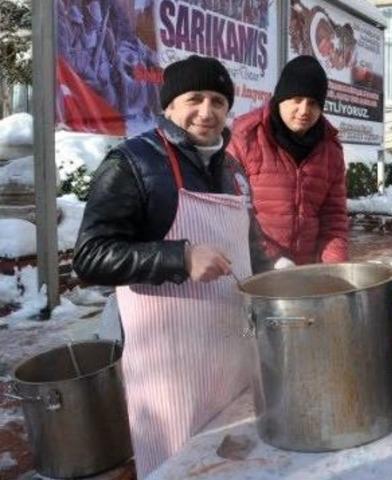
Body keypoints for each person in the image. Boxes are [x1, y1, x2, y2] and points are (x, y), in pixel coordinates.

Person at [73, 55, 269, 478]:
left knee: (229, 461)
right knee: (176, 467)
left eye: (218, 100)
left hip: (229, 350)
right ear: (168, 107)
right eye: (194, 98)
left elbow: (250, 246)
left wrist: (277, 283)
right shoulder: (132, 163)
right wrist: (178, 257)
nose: (207, 110)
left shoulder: (232, 170)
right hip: (169, 364)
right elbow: (90, 256)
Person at [228, 55, 348, 265]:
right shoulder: (245, 137)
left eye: (313, 103)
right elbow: (233, 211)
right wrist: (273, 259)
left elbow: (333, 219)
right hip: (254, 268)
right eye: (297, 100)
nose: (304, 111)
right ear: (281, 98)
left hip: (305, 274)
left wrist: (335, 268)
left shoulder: (330, 148)